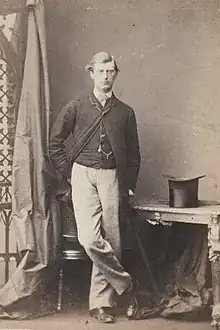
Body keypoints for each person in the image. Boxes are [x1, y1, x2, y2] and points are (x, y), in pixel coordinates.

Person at [49, 52, 141, 323]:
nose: (105, 76)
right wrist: (69, 173)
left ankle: (101, 304)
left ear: (115, 74)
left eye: (110, 71)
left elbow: (134, 154)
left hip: (112, 177)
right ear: (91, 73)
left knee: (112, 239)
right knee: (89, 238)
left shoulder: (125, 112)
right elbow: (55, 143)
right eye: (100, 72)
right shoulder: (77, 106)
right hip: (82, 175)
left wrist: (130, 185)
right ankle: (127, 284)